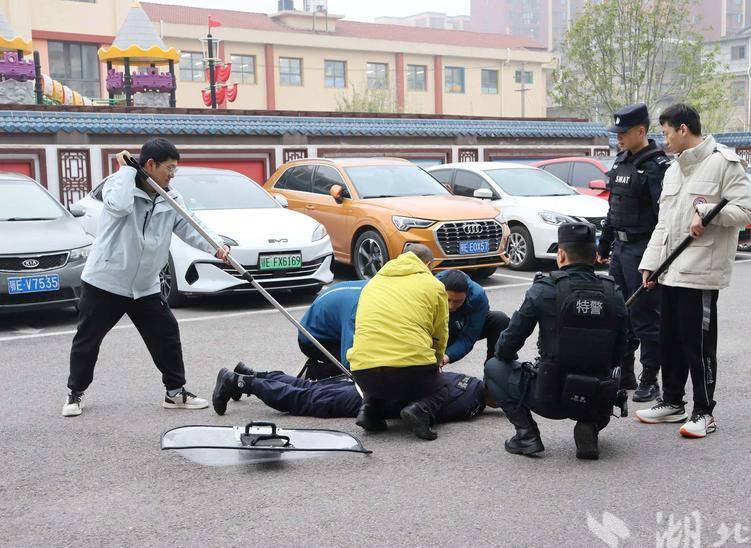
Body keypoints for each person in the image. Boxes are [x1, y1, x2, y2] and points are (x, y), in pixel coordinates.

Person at [62, 139, 230, 417]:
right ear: (150, 164)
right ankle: (75, 392)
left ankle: (174, 392)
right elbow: (117, 207)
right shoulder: (120, 186)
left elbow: (191, 226)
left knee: (166, 335)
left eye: (175, 169)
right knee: (88, 340)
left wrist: (217, 246)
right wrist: (127, 170)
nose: (172, 175)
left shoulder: (170, 197)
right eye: (169, 168)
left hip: (145, 285)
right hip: (106, 281)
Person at [636, 103, 751, 438]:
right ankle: (672, 402)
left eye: (666, 133)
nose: (664, 140)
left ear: (683, 129)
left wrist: (707, 212)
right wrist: (650, 264)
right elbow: (663, 224)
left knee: (698, 345)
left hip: (700, 271)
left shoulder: (723, 163)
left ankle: (704, 412)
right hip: (670, 269)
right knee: (670, 340)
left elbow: (746, 210)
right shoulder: (674, 169)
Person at [484, 222, 628, 460]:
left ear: (561, 254)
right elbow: (626, 345)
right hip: (595, 395)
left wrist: (511, 359)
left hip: (548, 395)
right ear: (595, 256)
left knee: (493, 366)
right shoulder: (614, 293)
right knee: (610, 378)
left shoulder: (544, 290)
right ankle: (590, 424)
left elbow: (508, 344)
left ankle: (527, 436)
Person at [597, 103, 671, 402]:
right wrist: (604, 244)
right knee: (619, 312)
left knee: (645, 316)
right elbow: (613, 209)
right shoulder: (621, 162)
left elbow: (664, 217)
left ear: (641, 131)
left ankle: (650, 378)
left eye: (624, 133)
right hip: (620, 249)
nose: (618, 138)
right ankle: (624, 373)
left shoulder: (656, 167)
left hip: (643, 250)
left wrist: (656, 259)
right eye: (616, 133)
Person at [346, 244, 449, 441]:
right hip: (410, 371)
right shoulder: (433, 285)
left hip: (362, 372)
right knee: (441, 387)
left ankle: (368, 410)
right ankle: (419, 410)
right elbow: (440, 332)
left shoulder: (373, 283)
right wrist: (436, 362)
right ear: (429, 264)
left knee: (377, 368)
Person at [211, 363, 491, 423]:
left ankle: (254, 375)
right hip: (376, 397)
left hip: (375, 380)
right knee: (308, 400)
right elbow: (415, 411)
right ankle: (241, 382)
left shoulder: (469, 383)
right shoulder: (469, 399)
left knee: (310, 388)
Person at [435, 270, 510, 366]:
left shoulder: (477, 296)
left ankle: (494, 368)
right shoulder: (431, 289)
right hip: (437, 330)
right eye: (448, 299)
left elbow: (468, 337)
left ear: (466, 294)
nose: (451, 306)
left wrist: (446, 357)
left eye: (458, 301)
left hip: (460, 327)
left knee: (499, 319)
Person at [297, 280, 367, 379]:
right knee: (364, 362)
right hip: (313, 340)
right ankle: (317, 373)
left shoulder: (374, 288)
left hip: (334, 328)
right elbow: (350, 360)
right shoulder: (357, 308)